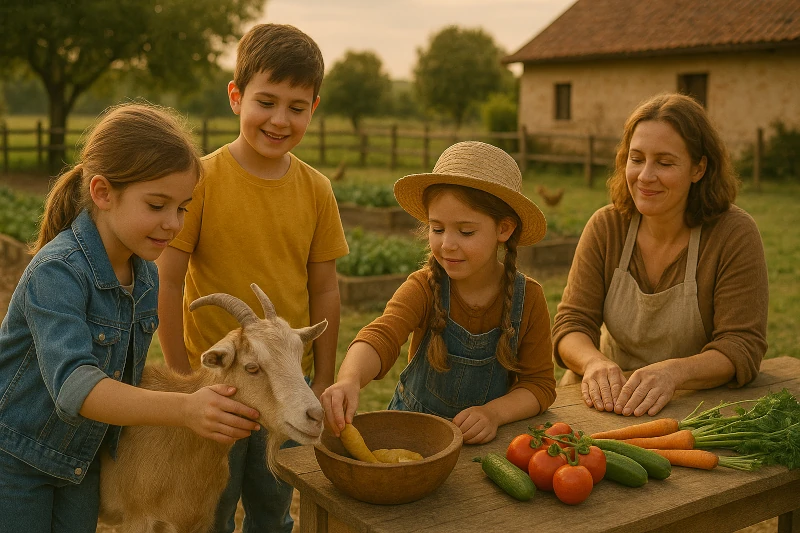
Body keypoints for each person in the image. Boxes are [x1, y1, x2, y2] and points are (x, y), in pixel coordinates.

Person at [0, 103, 262, 533]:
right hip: (16, 459)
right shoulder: (57, 272)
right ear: (103, 193)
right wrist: (185, 408)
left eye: (182, 208)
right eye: (157, 205)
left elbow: (128, 376)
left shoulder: (145, 278)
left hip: (82, 463)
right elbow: (75, 387)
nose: (173, 223)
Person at [155, 24, 349, 533]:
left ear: (314, 108)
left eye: (297, 107)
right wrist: (182, 379)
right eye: (266, 102)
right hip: (217, 386)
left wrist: (322, 378)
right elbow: (168, 282)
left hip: (286, 386)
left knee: (272, 504)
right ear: (236, 96)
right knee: (209, 507)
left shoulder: (316, 190)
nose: (280, 120)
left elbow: (325, 289)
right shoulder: (200, 180)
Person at [321, 141, 557, 445]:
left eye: (466, 231)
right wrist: (349, 380)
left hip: (481, 446)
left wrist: (494, 414)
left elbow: (539, 385)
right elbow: (380, 336)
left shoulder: (529, 299)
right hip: (410, 436)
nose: (447, 244)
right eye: (437, 229)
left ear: (504, 229)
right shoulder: (424, 287)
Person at [552, 93, 768, 418]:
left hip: (691, 405)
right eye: (636, 159)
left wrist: (673, 373)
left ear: (698, 168)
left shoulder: (733, 235)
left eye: (664, 163)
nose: (645, 176)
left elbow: (741, 345)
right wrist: (594, 363)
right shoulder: (606, 227)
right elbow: (571, 324)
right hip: (602, 398)